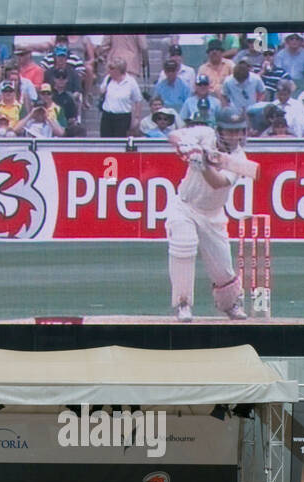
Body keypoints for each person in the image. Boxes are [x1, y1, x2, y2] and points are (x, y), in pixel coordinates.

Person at [164, 107, 252, 322]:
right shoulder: (204, 134)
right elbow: (173, 135)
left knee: (222, 270)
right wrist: (187, 146)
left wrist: (202, 164)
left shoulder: (239, 158)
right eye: (229, 131)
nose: (234, 136)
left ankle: (230, 304)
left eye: (238, 131)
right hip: (184, 206)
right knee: (184, 246)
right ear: (219, 129)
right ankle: (183, 304)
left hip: (213, 215)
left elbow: (218, 182)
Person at [97, 59, 143, 137]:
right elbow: (101, 91)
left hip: (122, 118)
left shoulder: (131, 82)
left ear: (119, 70)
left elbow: (138, 100)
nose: (109, 71)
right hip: (107, 116)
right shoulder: (108, 79)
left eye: (112, 69)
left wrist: (137, 117)